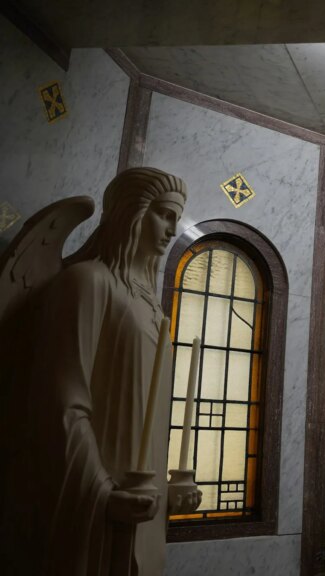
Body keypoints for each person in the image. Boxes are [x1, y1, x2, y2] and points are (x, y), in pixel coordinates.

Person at [0, 167, 201, 575]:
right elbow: (61, 406)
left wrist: (168, 484)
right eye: (163, 213)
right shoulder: (86, 283)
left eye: (176, 218)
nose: (171, 228)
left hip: (142, 512)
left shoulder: (153, 311)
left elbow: (147, 421)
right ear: (131, 212)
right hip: (87, 500)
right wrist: (102, 492)